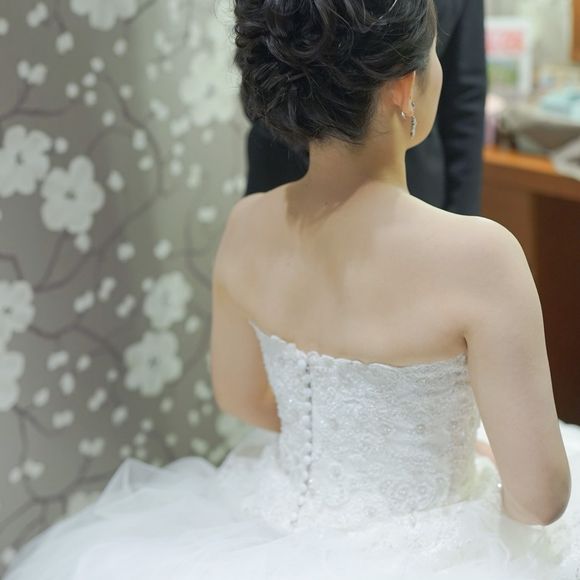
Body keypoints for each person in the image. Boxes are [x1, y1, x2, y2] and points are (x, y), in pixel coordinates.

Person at [5, 1, 580, 579]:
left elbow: (239, 397)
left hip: (270, 530)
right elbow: (540, 497)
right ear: (405, 88)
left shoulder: (246, 224)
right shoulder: (482, 258)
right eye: (434, 52)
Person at [244, 0, 487, 217]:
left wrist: (463, 218)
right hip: (283, 162)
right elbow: (258, 49)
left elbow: (465, 98)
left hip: (414, 177)